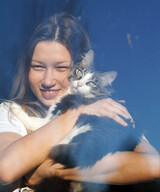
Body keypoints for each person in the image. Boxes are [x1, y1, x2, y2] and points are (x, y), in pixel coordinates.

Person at [0, 12, 159, 192]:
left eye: (61, 68)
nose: (48, 80)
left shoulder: (107, 109)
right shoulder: (10, 112)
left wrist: (49, 169)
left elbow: (153, 166)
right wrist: (80, 111)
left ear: (78, 65)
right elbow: (7, 168)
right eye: (38, 66)